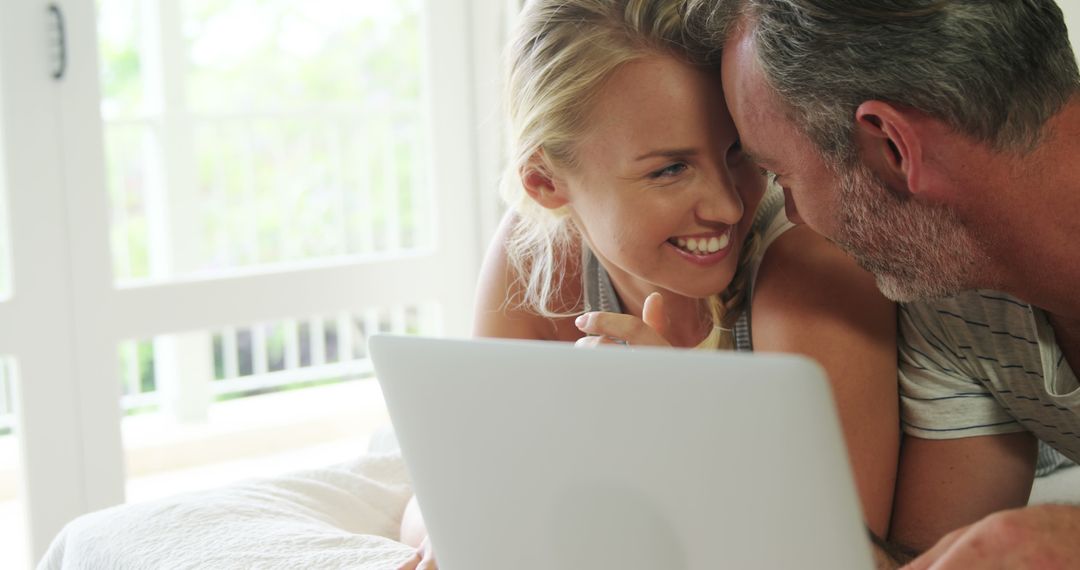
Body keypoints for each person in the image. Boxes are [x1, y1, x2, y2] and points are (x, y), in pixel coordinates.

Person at [395, 1, 900, 569]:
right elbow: (447, 483)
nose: (728, 206)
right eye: (670, 169)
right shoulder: (538, 256)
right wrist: (456, 523)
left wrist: (675, 429)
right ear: (545, 182)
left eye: (737, 152)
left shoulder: (808, 265)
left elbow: (837, 554)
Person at [690, 0, 1080, 568]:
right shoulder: (953, 296)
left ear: (893, 148)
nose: (792, 214)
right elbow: (932, 558)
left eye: (780, 175)